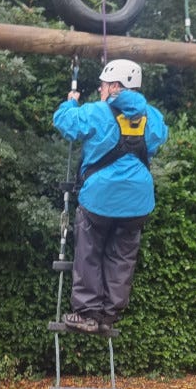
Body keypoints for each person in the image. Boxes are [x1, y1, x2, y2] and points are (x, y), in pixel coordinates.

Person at [53, 58, 168, 335]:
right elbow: (159, 139)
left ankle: (88, 313)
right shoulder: (152, 117)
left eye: (104, 85)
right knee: (122, 257)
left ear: (116, 86)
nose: (101, 90)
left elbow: (64, 122)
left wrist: (70, 102)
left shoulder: (97, 112)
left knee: (89, 252)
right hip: (138, 203)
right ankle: (108, 315)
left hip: (99, 201)